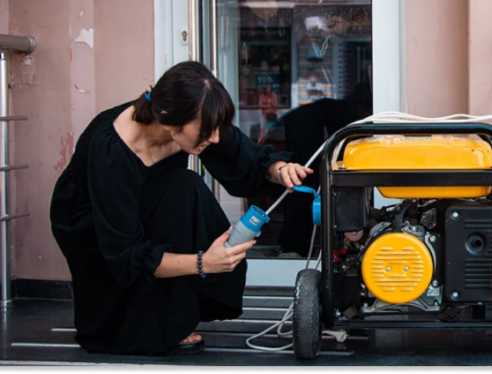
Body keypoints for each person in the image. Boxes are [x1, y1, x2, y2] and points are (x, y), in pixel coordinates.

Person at [49, 61, 312, 356]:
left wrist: (279, 169)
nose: (214, 138)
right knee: (180, 191)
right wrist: (204, 263)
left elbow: (244, 157)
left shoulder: (191, 120)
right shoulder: (113, 151)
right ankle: (135, 325)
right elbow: (125, 254)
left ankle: (174, 314)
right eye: (207, 131)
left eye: (217, 128)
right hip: (91, 222)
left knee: (183, 187)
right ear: (167, 122)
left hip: (144, 202)